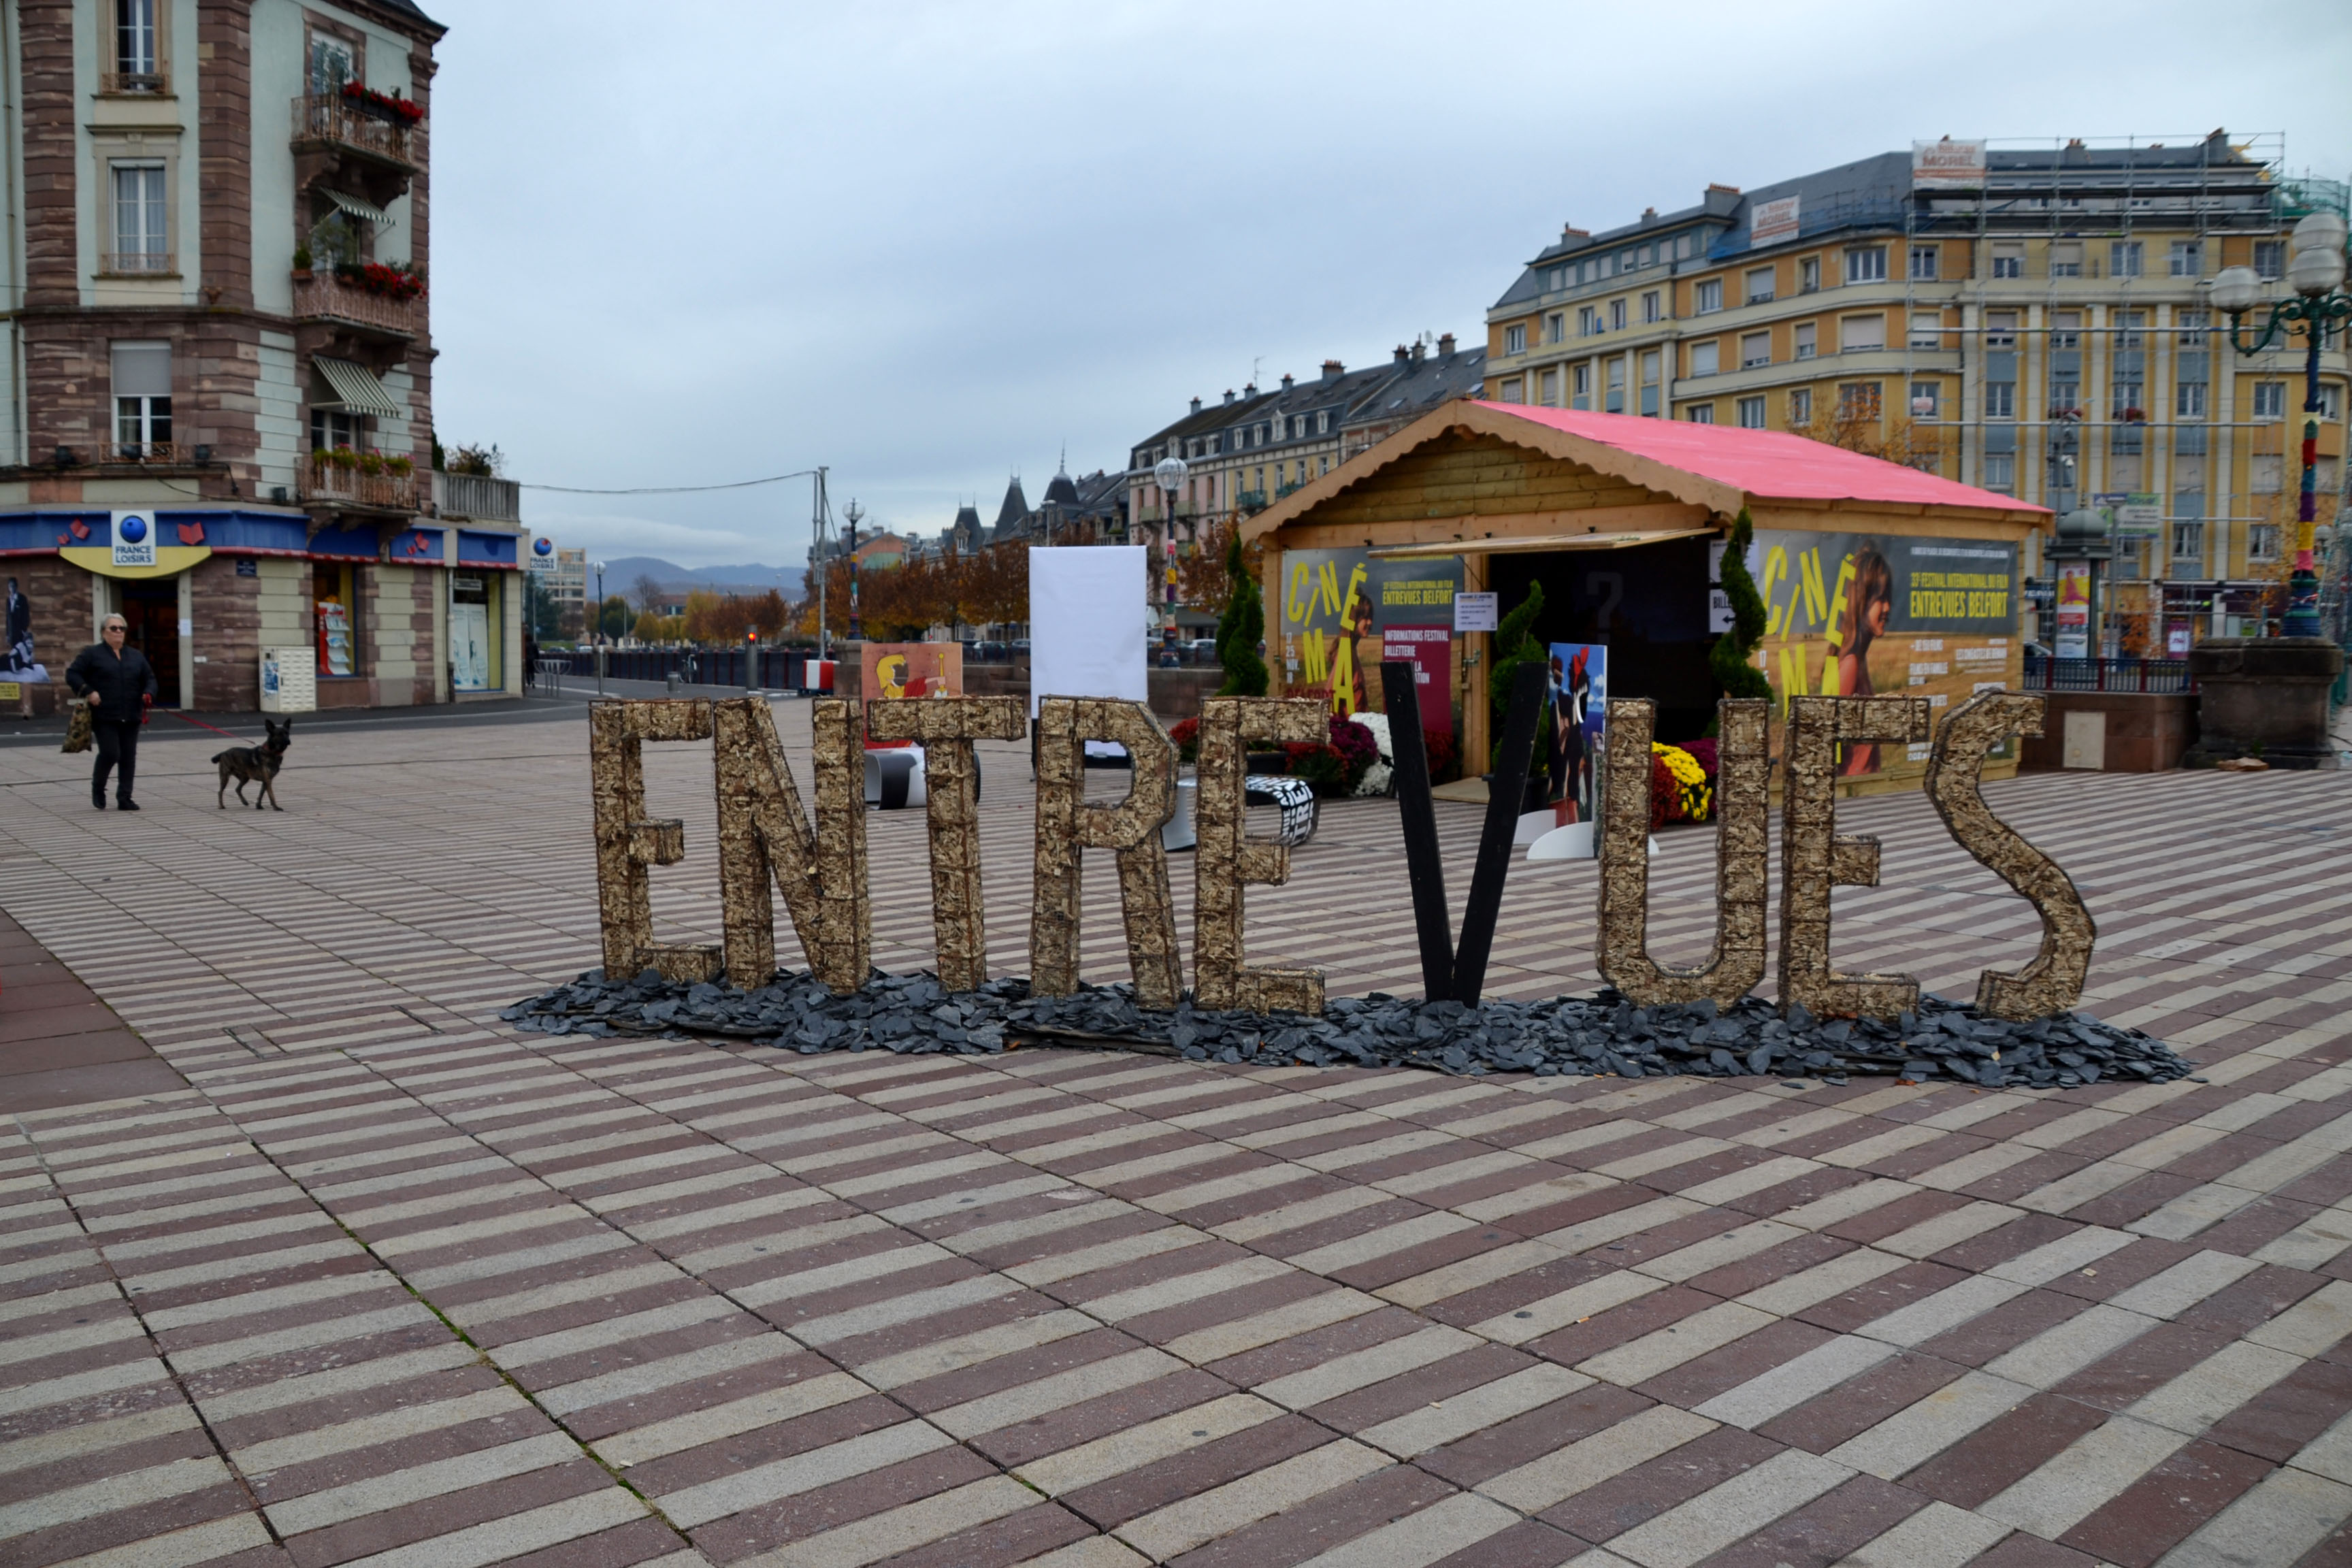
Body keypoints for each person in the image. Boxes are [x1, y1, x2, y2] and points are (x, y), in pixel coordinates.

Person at [66, 615, 156, 810]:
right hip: (104, 714)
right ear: (103, 632)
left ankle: (125, 797)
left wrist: (148, 692)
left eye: (122, 628)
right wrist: (89, 691)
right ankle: (98, 788)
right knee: (110, 753)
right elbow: (72, 674)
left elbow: (150, 678)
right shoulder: (92, 654)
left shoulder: (135, 656)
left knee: (128, 757)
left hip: (131, 714)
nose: (118, 632)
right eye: (113, 628)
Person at [1833, 545, 1895, 776]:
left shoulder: (1859, 659)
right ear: (1862, 600)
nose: (1887, 607)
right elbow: (1831, 737)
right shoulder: (1850, 664)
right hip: (1854, 787)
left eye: (1888, 598)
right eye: (1880, 599)